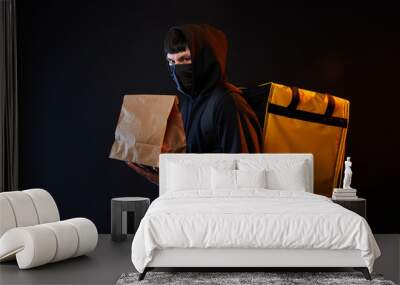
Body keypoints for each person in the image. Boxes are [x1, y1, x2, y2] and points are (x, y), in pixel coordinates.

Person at [127, 24, 262, 185]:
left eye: (185, 59)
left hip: (223, 205)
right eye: (171, 62)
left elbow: (246, 174)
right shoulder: (188, 102)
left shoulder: (228, 103)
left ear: (205, 58)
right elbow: (195, 162)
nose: (177, 69)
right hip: (196, 201)